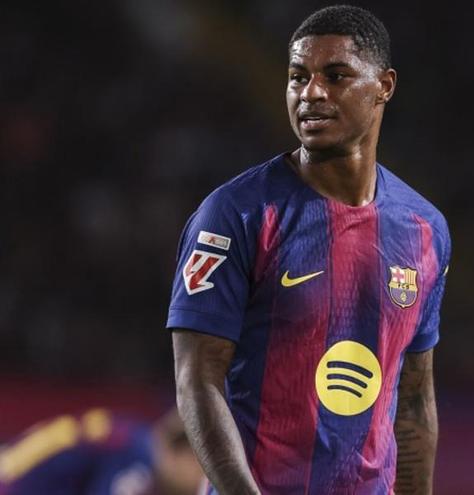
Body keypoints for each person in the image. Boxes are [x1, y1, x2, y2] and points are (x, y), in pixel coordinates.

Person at [168, 5, 451, 494]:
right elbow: (198, 380)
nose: (311, 92)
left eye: (335, 76)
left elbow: (413, 401)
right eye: (298, 77)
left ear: (384, 86)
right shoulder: (236, 215)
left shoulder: (425, 229)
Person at [0, 407, 203, 495]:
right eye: (201, 467)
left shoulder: (130, 438)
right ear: (182, 452)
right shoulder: (140, 459)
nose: (203, 481)